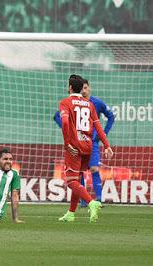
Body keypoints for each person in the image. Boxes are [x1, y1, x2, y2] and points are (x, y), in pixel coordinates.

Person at [58, 74, 113, 223]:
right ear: (81, 88)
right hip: (88, 145)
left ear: (70, 87)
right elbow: (98, 125)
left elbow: (64, 123)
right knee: (77, 178)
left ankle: (91, 202)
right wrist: (107, 145)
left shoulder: (65, 102)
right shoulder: (89, 104)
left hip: (74, 146)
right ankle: (71, 213)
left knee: (71, 181)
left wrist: (67, 143)